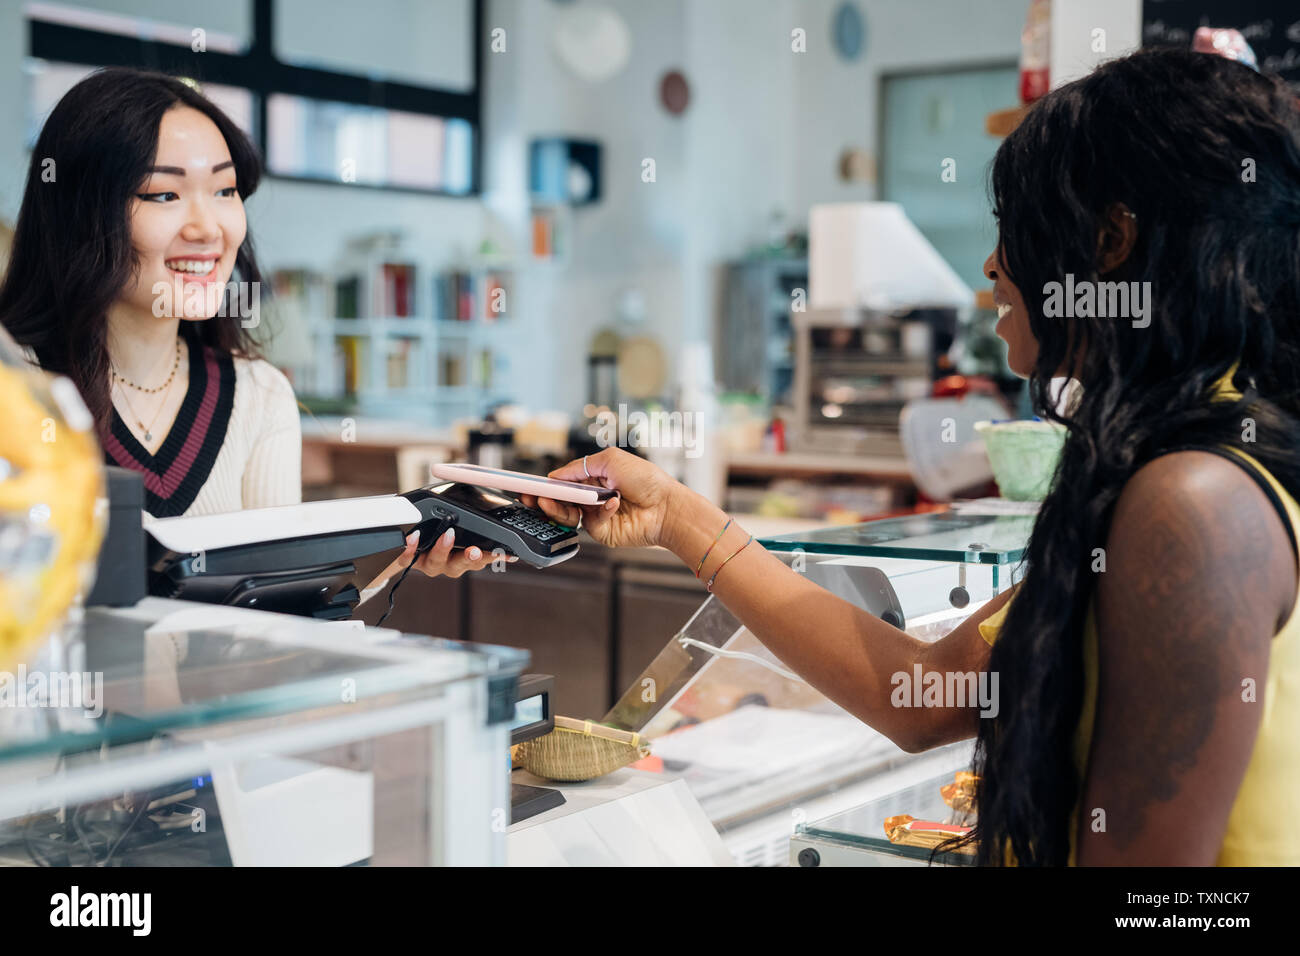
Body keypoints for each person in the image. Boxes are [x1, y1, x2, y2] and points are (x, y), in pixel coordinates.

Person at [525, 48, 1300, 866]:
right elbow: (919, 693)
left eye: (1020, 223)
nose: (994, 266)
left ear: (1110, 240)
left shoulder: (1192, 501)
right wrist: (676, 516)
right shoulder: (1193, 465)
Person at [0, 67, 493, 587]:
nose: (208, 228)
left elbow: (280, 617)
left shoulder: (259, 397)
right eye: (164, 194)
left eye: (225, 190)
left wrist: (400, 562)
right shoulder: (16, 391)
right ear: (79, 212)